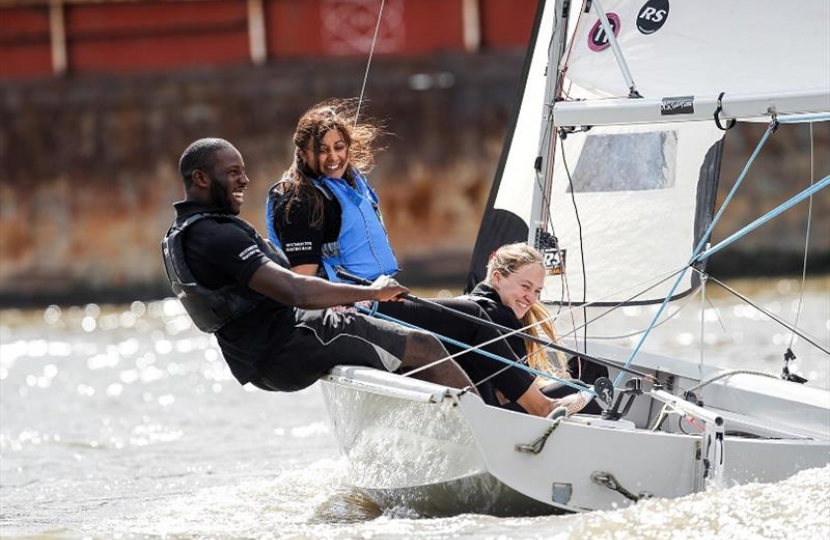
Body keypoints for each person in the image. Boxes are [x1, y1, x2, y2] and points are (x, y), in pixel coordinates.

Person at [265, 100, 574, 416]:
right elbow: (303, 284)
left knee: (483, 314)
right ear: (303, 153)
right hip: (359, 307)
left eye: (339, 147)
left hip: (381, 295)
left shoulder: (346, 183)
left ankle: (500, 409)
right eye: (322, 150)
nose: (333, 157)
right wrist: (352, 304)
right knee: (474, 318)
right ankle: (538, 406)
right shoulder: (300, 200)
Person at [161, 137, 473, 395]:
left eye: (242, 171)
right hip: (289, 345)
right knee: (424, 345)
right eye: (232, 172)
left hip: (258, 359)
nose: (244, 179)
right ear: (200, 178)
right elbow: (295, 290)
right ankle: (490, 429)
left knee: (401, 352)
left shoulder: (185, 231)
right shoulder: (216, 236)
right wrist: (371, 291)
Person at [465, 243, 608, 414]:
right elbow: (508, 394)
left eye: (537, 291)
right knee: (575, 388)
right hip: (490, 416)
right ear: (497, 278)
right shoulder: (498, 315)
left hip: (473, 409)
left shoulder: (471, 303)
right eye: (525, 286)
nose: (531, 298)